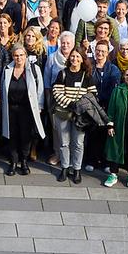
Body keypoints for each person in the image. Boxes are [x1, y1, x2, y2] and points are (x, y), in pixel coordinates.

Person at [0, 45, 45, 176]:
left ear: (25, 56)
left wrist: (40, 106)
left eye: (21, 55)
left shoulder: (34, 69)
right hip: (11, 108)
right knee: (12, 135)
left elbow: (40, 89)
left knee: (26, 136)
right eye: (16, 55)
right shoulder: (7, 69)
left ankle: (24, 161)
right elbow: (3, 88)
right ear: (13, 56)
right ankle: (13, 161)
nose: (19, 58)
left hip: (27, 108)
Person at [51, 50, 93, 184]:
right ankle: (64, 167)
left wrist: (80, 106)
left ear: (82, 59)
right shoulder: (62, 73)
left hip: (80, 116)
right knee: (64, 142)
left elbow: (92, 94)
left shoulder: (87, 75)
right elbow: (56, 92)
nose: (75, 59)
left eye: (77, 56)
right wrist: (70, 104)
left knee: (78, 143)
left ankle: (77, 169)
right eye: (73, 56)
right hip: (63, 113)